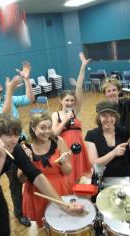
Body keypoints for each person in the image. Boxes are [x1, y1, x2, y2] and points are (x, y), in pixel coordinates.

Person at [0, 113, 84, 236]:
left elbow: (35, 175)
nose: (14, 140)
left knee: (3, 229)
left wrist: (64, 205)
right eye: (9, 135)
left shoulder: (14, 147)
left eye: (16, 135)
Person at [0, 61, 34, 226]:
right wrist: (9, 92)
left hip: (22, 142)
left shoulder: (6, 98)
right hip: (7, 149)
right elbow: (4, 117)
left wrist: (26, 79)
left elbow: (30, 98)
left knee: (30, 175)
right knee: (15, 183)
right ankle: (19, 213)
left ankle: (33, 204)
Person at [19, 112, 72, 227]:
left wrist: (62, 162)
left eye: (49, 127)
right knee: (43, 226)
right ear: (33, 128)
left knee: (62, 224)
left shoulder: (58, 141)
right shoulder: (25, 147)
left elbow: (68, 171)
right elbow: (22, 179)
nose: (47, 131)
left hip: (59, 190)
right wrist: (27, 163)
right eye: (42, 128)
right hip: (37, 193)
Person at [51, 52, 91, 187]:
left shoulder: (75, 111)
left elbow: (78, 87)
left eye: (72, 100)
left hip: (78, 148)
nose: (69, 103)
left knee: (78, 176)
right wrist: (64, 121)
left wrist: (82, 67)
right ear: (61, 101)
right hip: (64, 150)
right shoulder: (55, 115)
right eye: (67, 100)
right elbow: (54, 134)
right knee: (66, 176)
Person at [85, 101, 130, 185]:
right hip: (101, 182)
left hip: (123, 182)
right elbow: (95, 163)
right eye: (104, 115)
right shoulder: (91, 135)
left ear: (116, 116)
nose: (108, 119)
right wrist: (114, 152)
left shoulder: (125, 132)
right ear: (99, 117)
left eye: (111, 115)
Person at [101, 65, 130, 135]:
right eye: (108, 91)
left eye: (114, 90)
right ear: (105, 94)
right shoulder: (102, 110)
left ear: (118, 91)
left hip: (128, 142)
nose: (112, 93)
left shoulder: (126, 104)